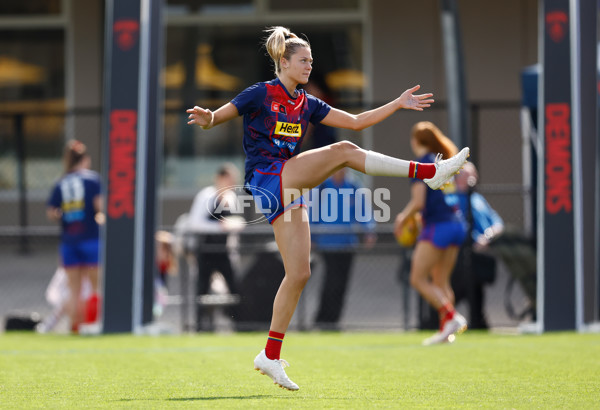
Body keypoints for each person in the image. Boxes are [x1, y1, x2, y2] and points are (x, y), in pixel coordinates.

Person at [187, 26, 469, 390]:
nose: (309, 66)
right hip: (267, 178)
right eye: (303, 61)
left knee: (300, 272)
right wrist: (209, 118)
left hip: (290, 184)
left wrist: (396, 104)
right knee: (343, 152)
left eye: (311, 60)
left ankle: (270, 355)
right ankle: (428, 172)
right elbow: (219, 116)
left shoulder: (307, 102)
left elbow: (355, 121)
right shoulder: (261, 93)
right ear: (284, 63)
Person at [393, 121, 468, 346]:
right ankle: (447, 331)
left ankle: (452, 317)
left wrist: (402, 217)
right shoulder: (442, 161)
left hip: (438, 227)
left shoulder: (421, 163)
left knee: (417, 278)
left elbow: (419, 201)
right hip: (456, 224)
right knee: (441, 281)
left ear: (415, 141)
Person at [46, 139, 102, 334]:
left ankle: (75, 327)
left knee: (73, 288)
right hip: (91, 239)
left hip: (69, 241)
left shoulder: (61, 181)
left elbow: (52, 212)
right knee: (95, 286)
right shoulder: (92, 179)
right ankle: (92, 325)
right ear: (85, 160)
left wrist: (67, 215)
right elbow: (100, 207)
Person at [310, 168, 376, 329]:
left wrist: (369, 231)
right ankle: (322, 319)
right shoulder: (323, 187)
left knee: (342, 283)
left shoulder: (353, 186)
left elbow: (364, 211)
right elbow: (311, 212)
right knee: (331, 281)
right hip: (327, 243)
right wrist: (311, 237)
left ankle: (334, 320)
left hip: (347, 243)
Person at [187, 163, 243, 331]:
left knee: (234, 287)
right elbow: (195, 223)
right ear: (220, 178)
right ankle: (200, 326)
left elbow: (232, 225)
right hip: (206, 250)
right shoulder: (206, 196)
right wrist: (220, 226)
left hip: (224, 251)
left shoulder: (232, 198)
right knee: (202, 289)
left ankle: (239, 324)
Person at [449, 161, 504, 329]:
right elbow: (457, 226)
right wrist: (474, 239)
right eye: (468, 175)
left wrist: (486, 237)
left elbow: (497, 223)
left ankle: (478, 323)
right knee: (454, 296)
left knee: (477, 298)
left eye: (474, 174)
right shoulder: (452, 200)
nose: (473, 179)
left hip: (477, 259)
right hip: (458, 260)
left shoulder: (478, 199)